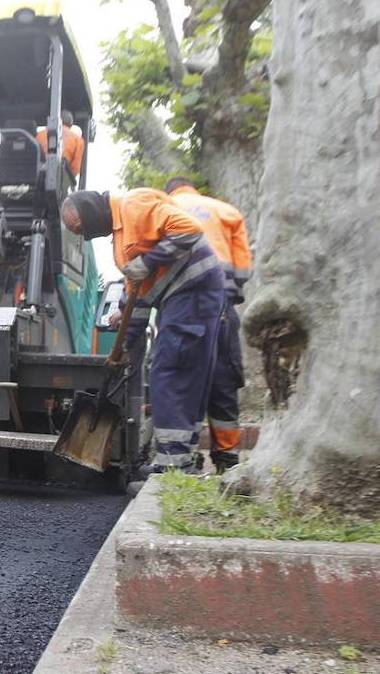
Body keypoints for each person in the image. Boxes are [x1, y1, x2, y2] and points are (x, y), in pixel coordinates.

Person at [61, 188, 224, 474]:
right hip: (180, 298)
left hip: (194, 290)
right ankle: (179, 459)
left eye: (82, 228)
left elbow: (189, 230)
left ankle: (174, 467)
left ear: (90, 211)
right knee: (178, 372)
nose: (86, 236)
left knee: (171, 370)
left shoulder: (134, 205)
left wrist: (146, 263)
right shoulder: (119, 241)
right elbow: (139, 295)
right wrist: (125, 336)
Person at [166, 176, 253, 472]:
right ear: (194, 189)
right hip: (222, 307)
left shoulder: (163, 207)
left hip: (181, 307)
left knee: (182, 379)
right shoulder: (226, 211)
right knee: (223, 380)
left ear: (170, 191)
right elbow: (242, 270)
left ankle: (184, 456)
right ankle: (227, 458)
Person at [35, 110, 86, 178]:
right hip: (61, 178)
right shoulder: (78, 140)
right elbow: (75, 169)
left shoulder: (39, 135)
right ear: (70, 123)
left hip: (37, 176)